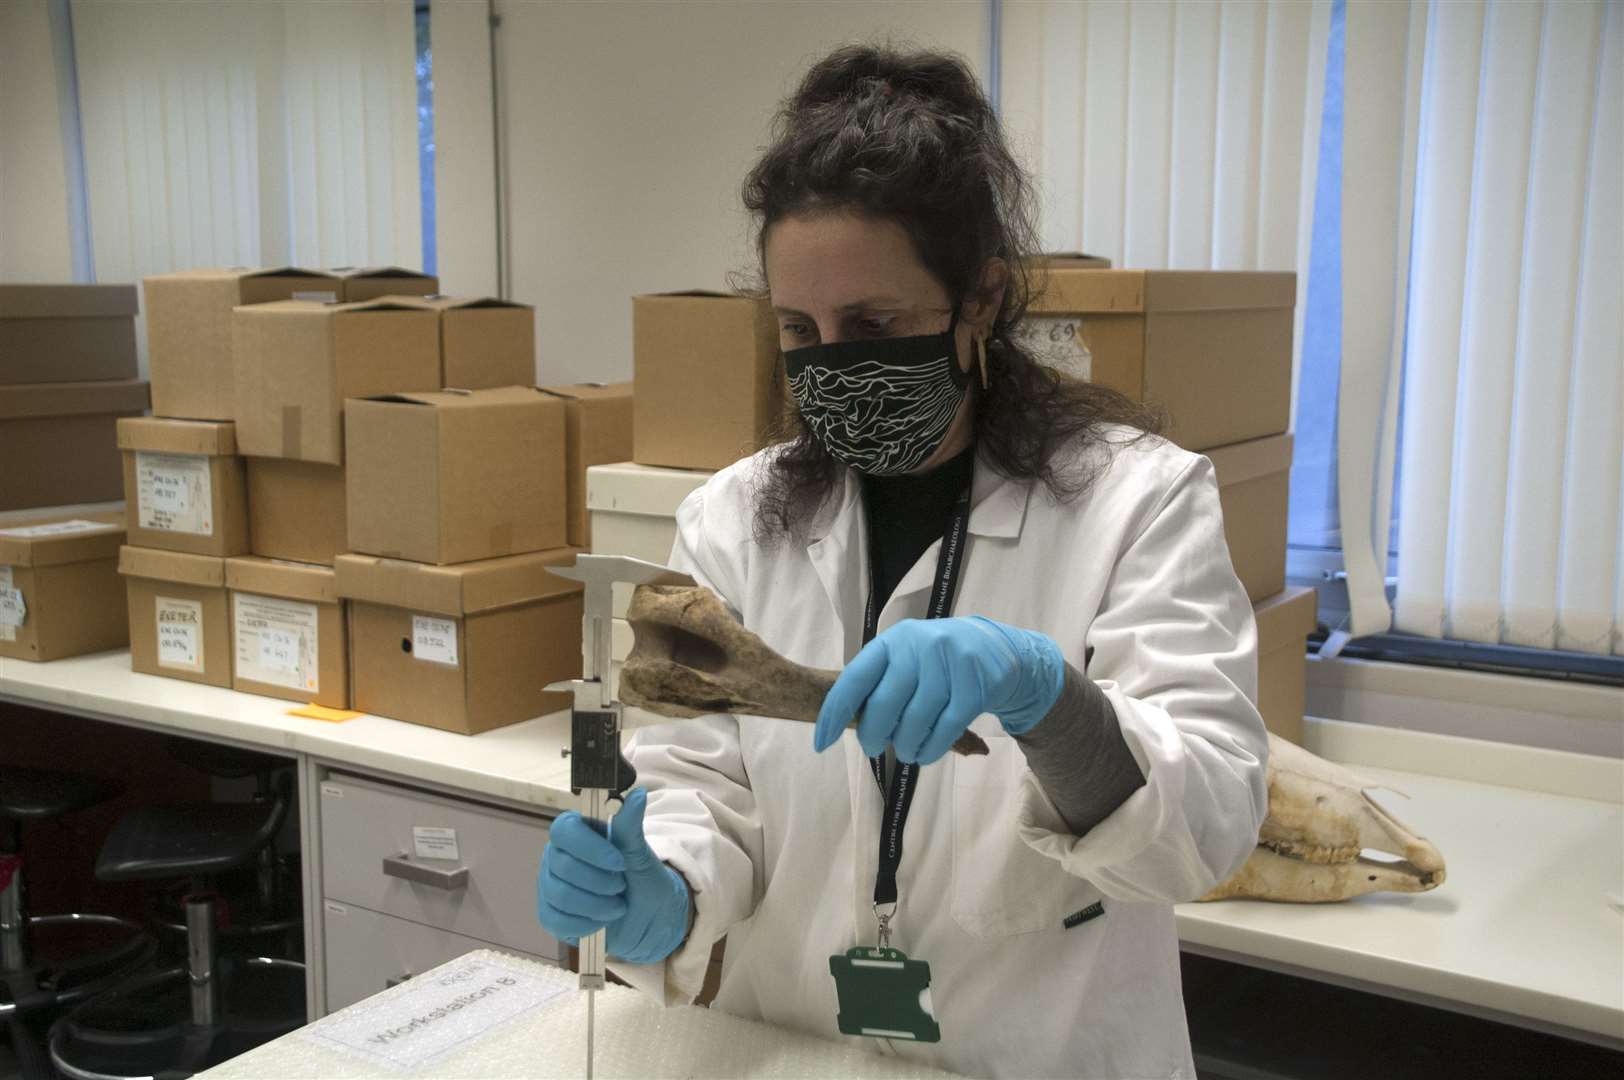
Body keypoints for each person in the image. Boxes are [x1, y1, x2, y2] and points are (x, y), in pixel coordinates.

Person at [537, 43, 1268, 1079]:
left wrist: (1048, 701)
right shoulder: (733, 520)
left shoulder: (1136, 500)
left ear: (979, 301)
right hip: (798, 1052)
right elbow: (700, 792)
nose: (832, 362)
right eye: (800, 328)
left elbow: (1207, 828)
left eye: (873, 323)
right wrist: (661, 892)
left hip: (1038, 1057)